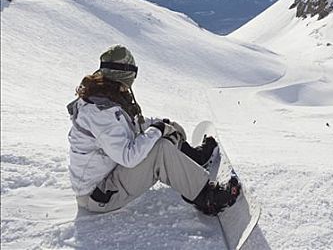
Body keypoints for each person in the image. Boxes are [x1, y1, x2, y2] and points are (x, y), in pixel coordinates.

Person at [67, 44, 239, 215]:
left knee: (167, 127)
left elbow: (128, 128)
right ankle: (208, 198)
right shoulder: (100, 113)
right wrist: (157, 130)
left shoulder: (106, 97)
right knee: (160, 150)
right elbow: (128, 157)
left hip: (110, 176)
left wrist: (161, 124)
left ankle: (193, 159)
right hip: (99, 195)